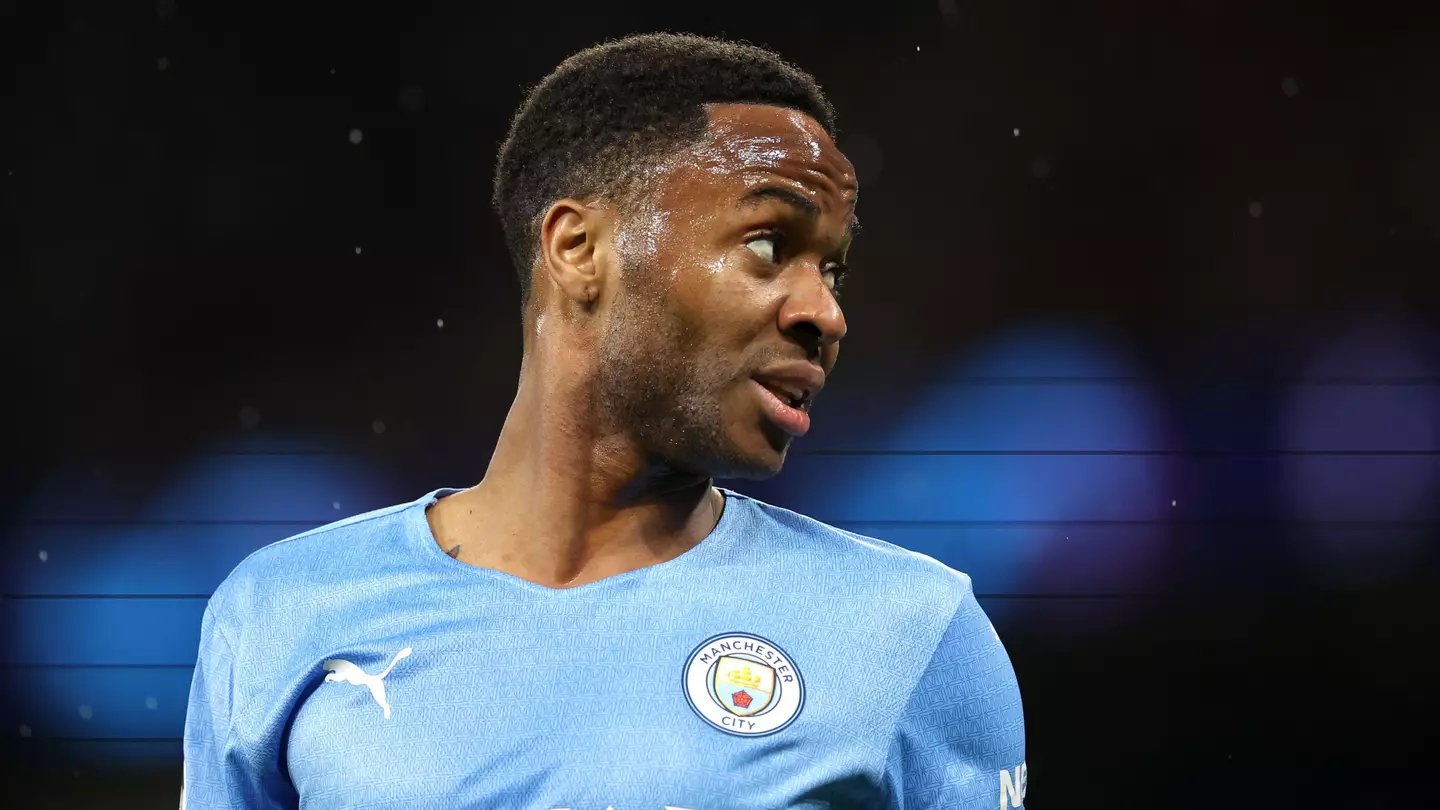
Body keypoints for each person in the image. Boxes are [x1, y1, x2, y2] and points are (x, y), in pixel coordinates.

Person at [182, 32, 1026, 809]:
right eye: (769, 244)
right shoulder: (281, 615)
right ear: (579, 250)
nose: (824, 313)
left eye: (832, 270)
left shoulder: (910, 633)